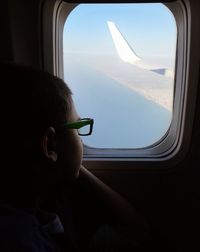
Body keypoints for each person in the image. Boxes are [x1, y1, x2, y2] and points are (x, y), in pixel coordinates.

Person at [0, 62, 152, 251]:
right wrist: (68, 159)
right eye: (78, 128)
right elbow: (136, 229)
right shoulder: (21, 241)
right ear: (49, 144)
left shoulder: (43, 192)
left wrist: (69, 161)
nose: (81, 140)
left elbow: (135, 228)